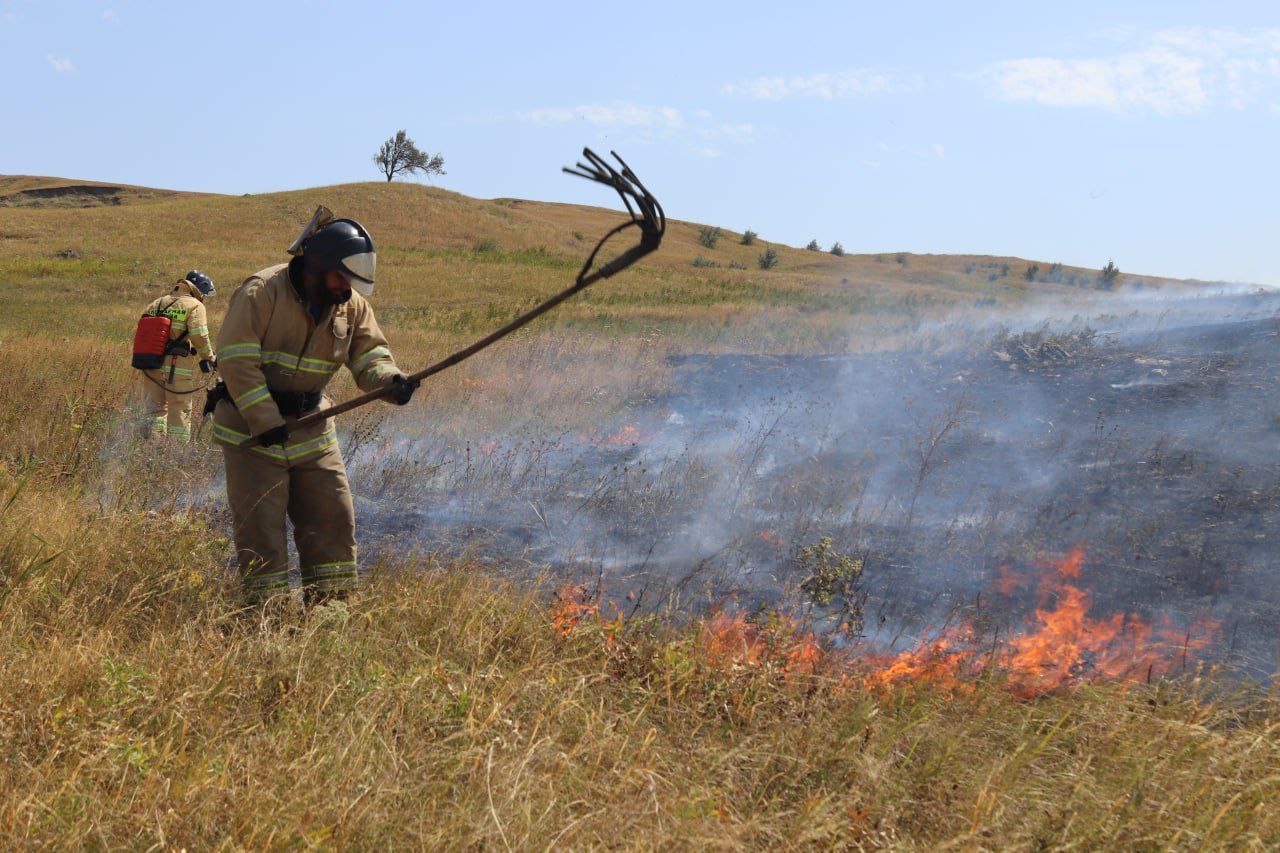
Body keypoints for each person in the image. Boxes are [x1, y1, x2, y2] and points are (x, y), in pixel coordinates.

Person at [212, 210, 418, 606]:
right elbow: (236, 360)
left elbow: (370, 353)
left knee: (333, 523)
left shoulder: (351, 305)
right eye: (342, 276)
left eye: (354, 279)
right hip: (253, 437)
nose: (348, 287)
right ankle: (265, 622)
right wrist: (266, 421)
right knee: (262, 534)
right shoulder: (262, 292)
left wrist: (391, 382)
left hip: (313, 428)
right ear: (317, 264)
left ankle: (331, 617)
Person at [139, 271, 217, 443]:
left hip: (150, 363)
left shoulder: (157, 302)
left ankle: (153, 448)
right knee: (179, 408)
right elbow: (199, 335)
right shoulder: (195, 305)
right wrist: (209, 357)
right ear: (199, 290)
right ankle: (177, 455)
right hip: (176, 366)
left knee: (155, 409)